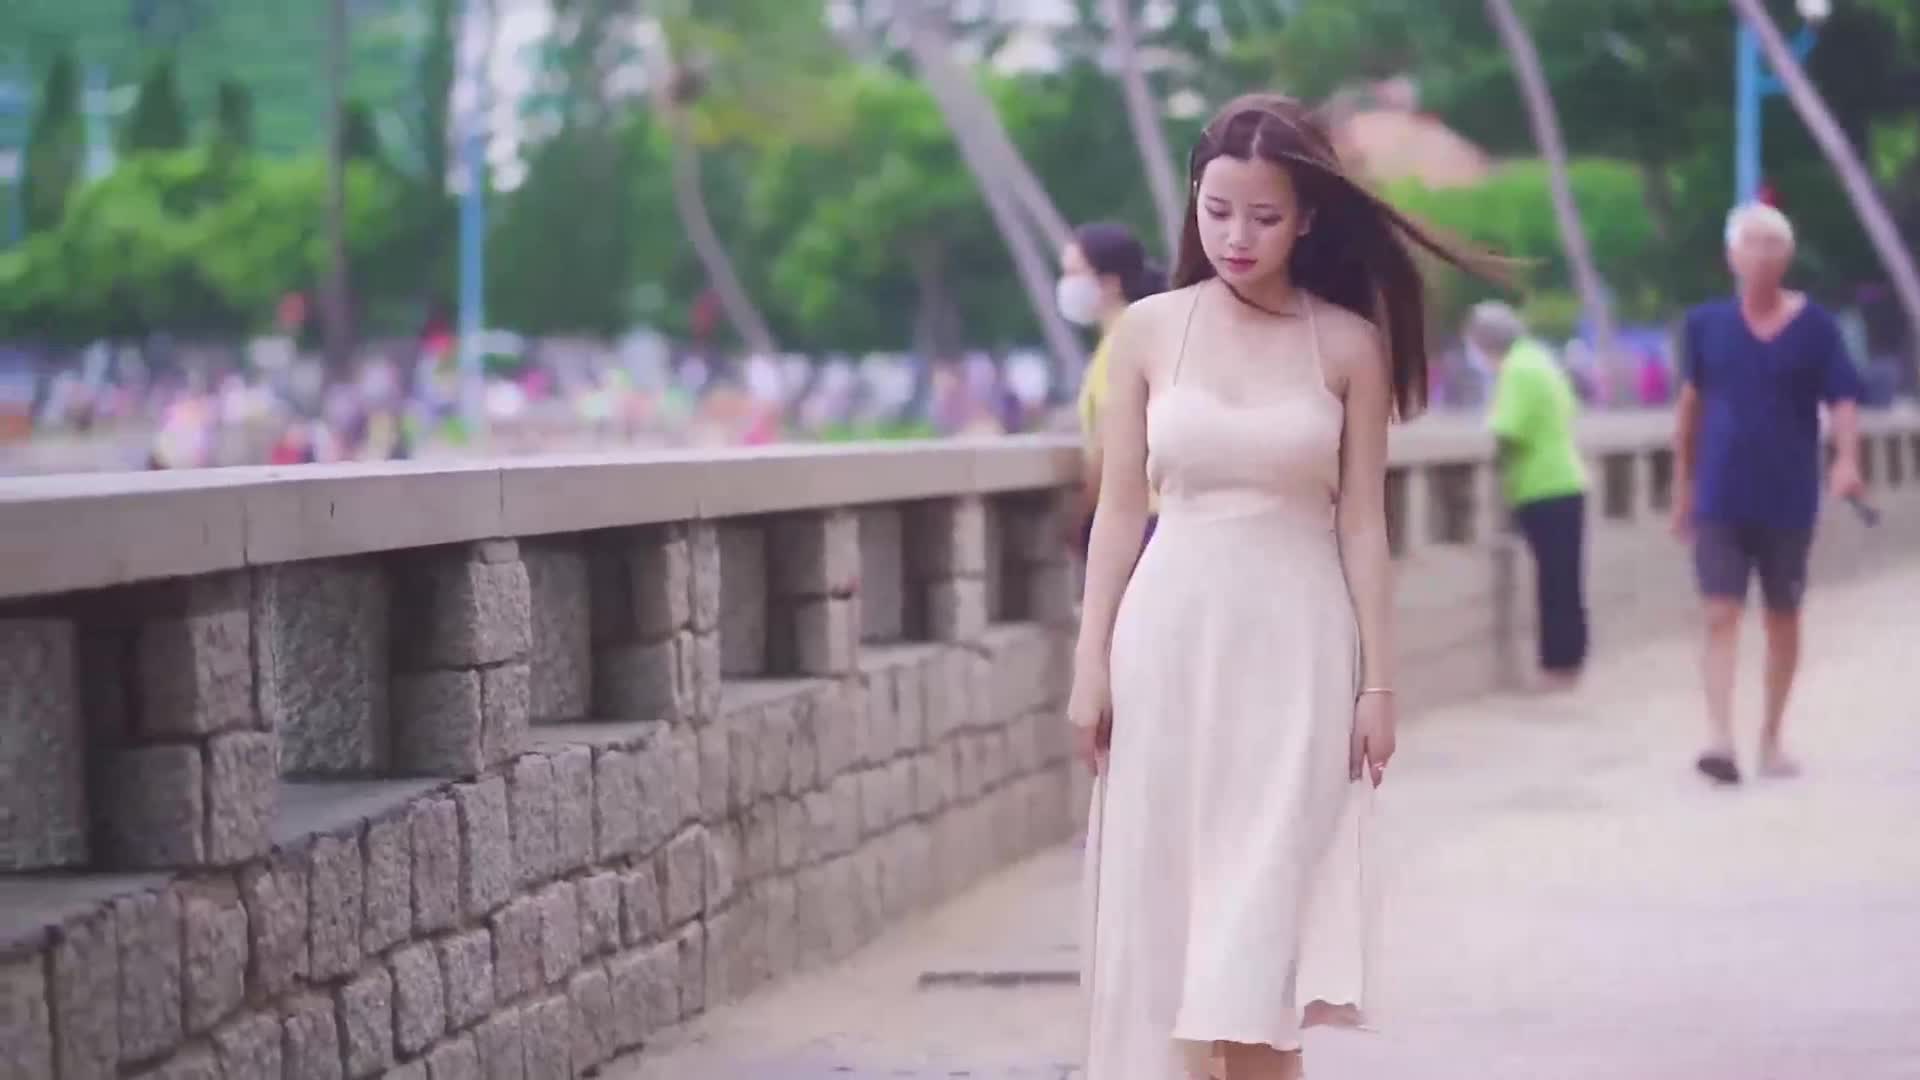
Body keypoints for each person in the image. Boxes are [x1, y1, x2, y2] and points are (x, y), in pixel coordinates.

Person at [1071, 94, 1503, 1080]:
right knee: (1173, 927)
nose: (1237, 236)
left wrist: (1379, 684)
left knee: (1261, 947)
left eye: (1264, 216)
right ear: (1194, 202)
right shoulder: (1147, 332)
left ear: (1307, 218)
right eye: (1218, 210)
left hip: (1298, 656)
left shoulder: (1347, 344)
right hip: (1169, 644)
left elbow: (1363, 524)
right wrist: (1090, 662)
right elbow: (1120, 511)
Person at [1672, 203, 1865, 786]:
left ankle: (1771, 738)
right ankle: (1720, 740)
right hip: (1720, 495)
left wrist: (1847, 460)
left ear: (1787, 256)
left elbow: (1843, 400)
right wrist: (1682, 487)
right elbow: (1689, 411)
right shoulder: (1705, 325)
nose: (1761, 254)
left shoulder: (1817, 328)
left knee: (1783, 618)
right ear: (1732, 256)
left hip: (1787, 496)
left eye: (1772, 244)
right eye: (1751, 243)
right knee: (1719, 612)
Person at [1471, 301, 1590, 690]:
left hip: (1543, 485)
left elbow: (1507, 428)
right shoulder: (1541, 359)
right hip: (1566, 480)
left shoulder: (1518, 370)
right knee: (1566, 579)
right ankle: (1570, 663)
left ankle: (1556, 668)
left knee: (1553, 583)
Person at [1062, 222, 1169, 555]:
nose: (1065, 285)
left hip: (1141, 522)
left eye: (1074, 273)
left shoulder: (1123, 344)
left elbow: (1109, 446)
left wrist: (1080, 514)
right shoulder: (1133, 335)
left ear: (1109, 282)